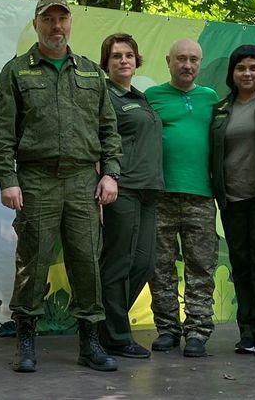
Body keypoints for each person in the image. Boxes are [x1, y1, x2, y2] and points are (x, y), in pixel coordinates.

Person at [0, 0, 122, 373]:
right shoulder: (16, 71)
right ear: (36, 25)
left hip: (83, 179)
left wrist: (110, 172)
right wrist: (8, 179)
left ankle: (90, 342)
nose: (56, 26)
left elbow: (108, 128)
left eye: (62, 19)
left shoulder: (91, 72)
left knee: (87, 261)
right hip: (36, 178)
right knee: (34, 261)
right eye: (48, 20)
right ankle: (25, 339)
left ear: (70, 24)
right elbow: (1, 131)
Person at [208, 45, 255, 356]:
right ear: (233, 73)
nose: (248, 73)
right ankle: (248, 330)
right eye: (241, 68)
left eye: (254, 67)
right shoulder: (221, 108)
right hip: (232, 199)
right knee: (240, 265)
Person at [145, 39, 220, 358]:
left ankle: (198, 332)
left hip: (201, 197)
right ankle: (167, 329)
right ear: (168, 61)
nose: (187, 65)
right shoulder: (152, 97)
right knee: (160, 267)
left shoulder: (211, 99)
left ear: (200, 63)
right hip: (160, 195)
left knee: (200, 267)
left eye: (193, 60)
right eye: (181, 59)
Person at [96, 33, 164, 359]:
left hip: (150, 191)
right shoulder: (105, 96)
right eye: (116, 56)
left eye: (128, 55)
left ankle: (105, 325)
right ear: (106, 64)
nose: (123, 60)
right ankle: (116, 335)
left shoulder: (141, 96)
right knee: (117, 263)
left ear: (137, 60)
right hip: (122, 189)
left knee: (144, 262)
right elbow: (98, 143)